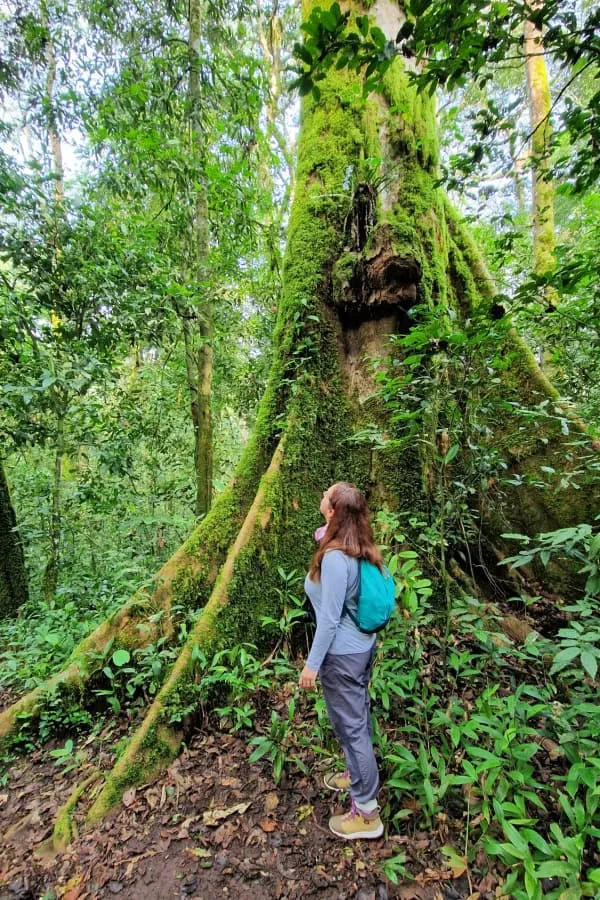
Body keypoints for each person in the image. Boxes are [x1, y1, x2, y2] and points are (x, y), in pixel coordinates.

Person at [299, 481, 383, 840]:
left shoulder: (335, 559)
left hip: (343, 655)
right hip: (362, 647)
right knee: (355, 718)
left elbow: (330, 618)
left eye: (325, 497)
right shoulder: (357, 545)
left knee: (351, 727)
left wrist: (312, 664)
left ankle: (367, 813)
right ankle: (355, 772)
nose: (320, 497)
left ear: (333, 511)